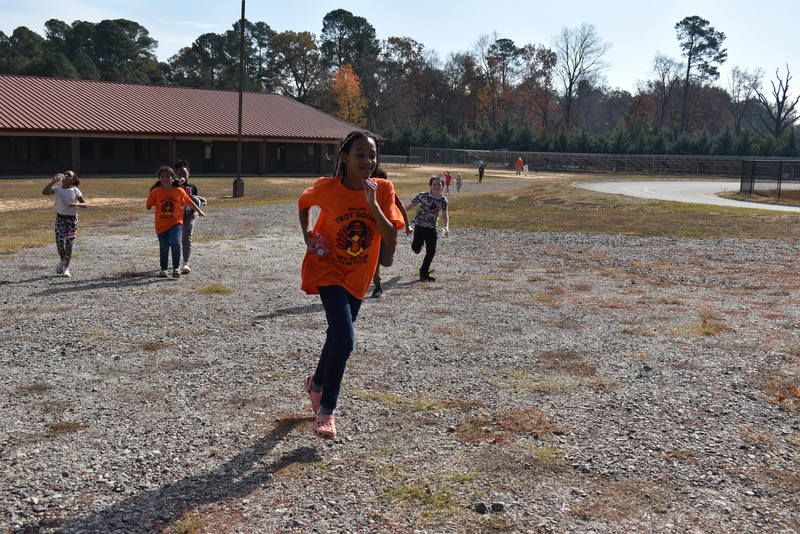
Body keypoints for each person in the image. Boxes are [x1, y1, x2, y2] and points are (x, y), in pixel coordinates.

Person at [298, 131, 405, 439]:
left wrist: (372, 204)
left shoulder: (383, 189)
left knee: (337, 334)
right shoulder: (327, 188)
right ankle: (326, 411)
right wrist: (308, 237)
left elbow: (391, 235)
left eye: (372, 155)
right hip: (327, 269)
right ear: (345, 158)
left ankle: (316, 383)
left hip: (359, 276)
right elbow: (303, 203)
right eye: (360, 155)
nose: (367, 161)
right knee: (345, 339)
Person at [146, 166, 205, 278]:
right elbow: (148, 205)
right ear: (159, 179)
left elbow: (189, 201)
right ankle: (163, 269)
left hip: (176, 222)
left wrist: (199, 211)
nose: (165, 178)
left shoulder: (179, 191)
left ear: (173, 178)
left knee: (176, 243)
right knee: (164, 246)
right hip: (161, 224)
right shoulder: (155, 191)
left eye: (168, 176)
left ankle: (176, 268)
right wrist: (149, 205)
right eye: (162, 176)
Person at [371, 168, 411, 298]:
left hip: (388, 230)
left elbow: (401, 208)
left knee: (386, 262)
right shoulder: (368, 192)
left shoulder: (389, 193)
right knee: (375, 258)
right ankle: (377, 285)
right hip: (373, 231)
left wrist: (407, 226)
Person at [41, 171, 86, 277]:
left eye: (69, 175)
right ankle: (62, 260)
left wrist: (76, 204)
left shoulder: (75, 190)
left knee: (69, 243)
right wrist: (53, 181)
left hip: (72, 221)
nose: (65, 175)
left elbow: (84, 204)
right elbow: (44, 192)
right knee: (60, 243)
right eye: (65, 174)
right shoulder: (57, 189)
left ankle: (66, 267)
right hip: (60, 219)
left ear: (73, 180)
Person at [406, 175, 449, 282]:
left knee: (431, 251)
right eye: (434, 184)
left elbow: (445, 214)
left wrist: (446, 227)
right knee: (416, 249)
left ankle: (423, 273)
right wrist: (400, 213)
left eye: (439, 184)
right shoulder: (422, 196)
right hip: (419, 226)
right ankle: (416, 246)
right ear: (430, 185)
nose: (437, 186)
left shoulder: (443, 200)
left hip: (432, 228)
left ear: (442, 187)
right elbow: (410, 206)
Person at [174, 160, 202, 274]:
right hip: (176, 216)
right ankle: (175, 263)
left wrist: (196, 206)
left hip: (189, 214)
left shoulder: (192, 187)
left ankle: (185, 263)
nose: (182, 176)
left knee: (186, 238)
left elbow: (196, 201)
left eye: (184, 173)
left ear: (188, 174)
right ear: (176, 175)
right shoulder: (173, 186)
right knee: (175, 240)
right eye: (179, 174)